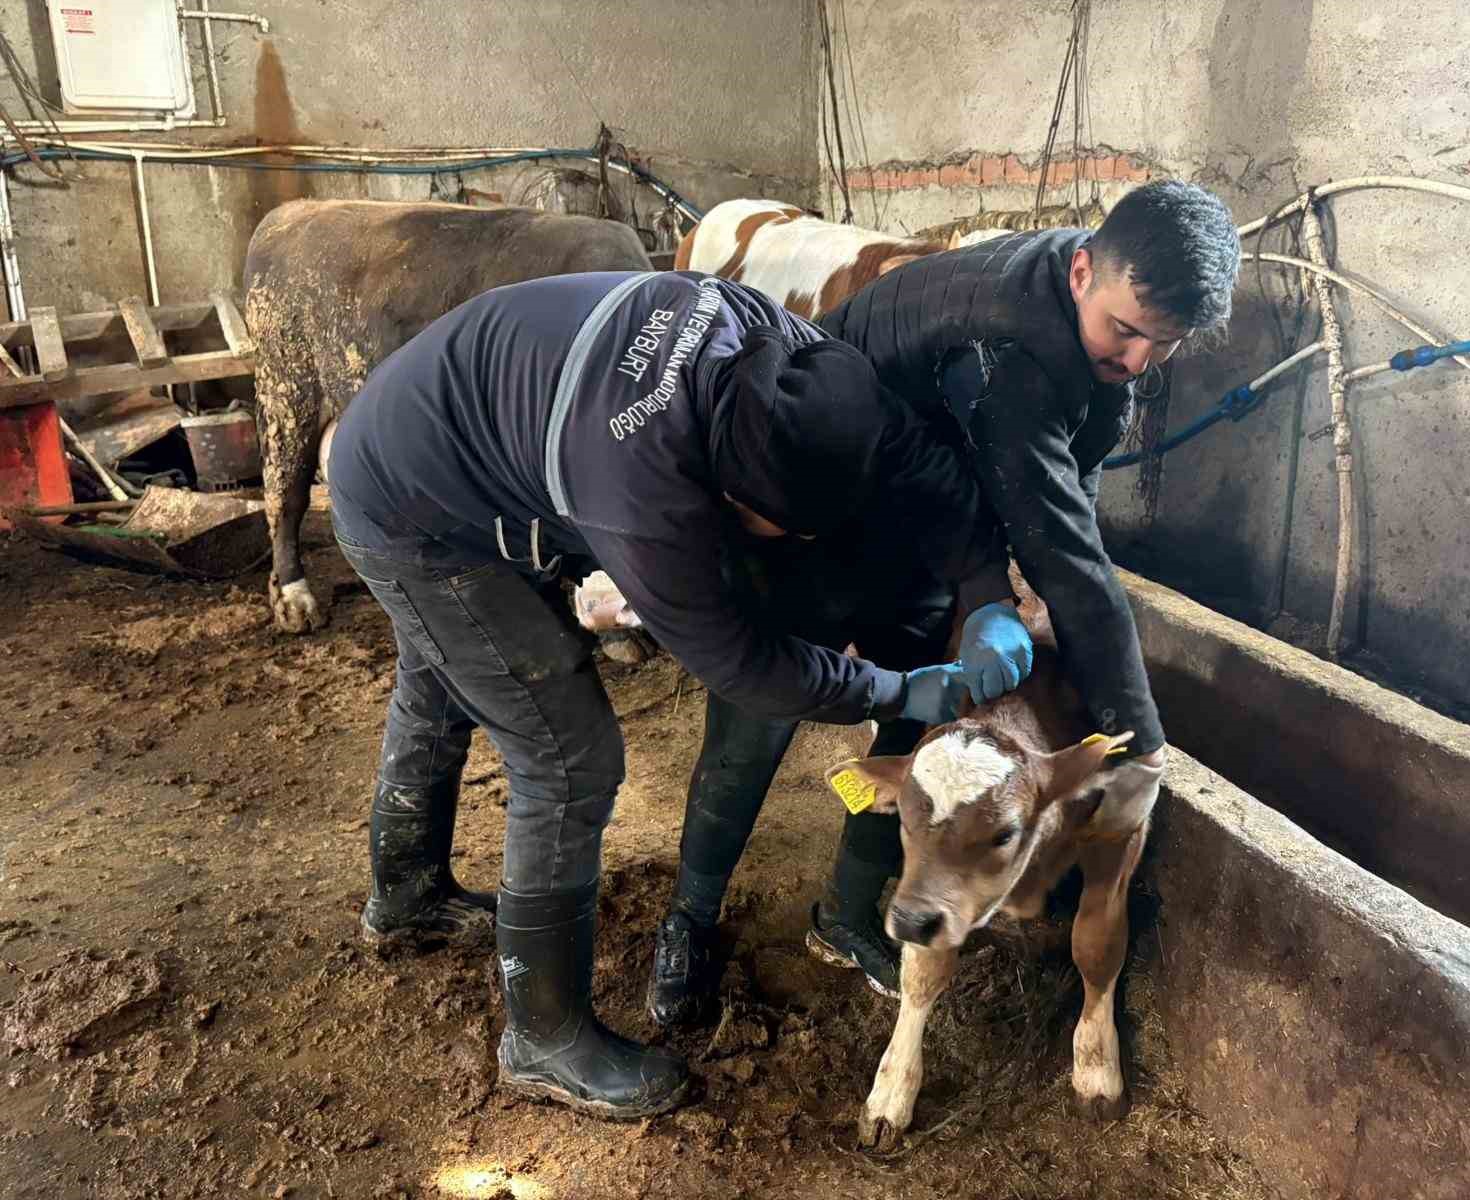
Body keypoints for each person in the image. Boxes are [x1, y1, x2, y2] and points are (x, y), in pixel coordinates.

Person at [327, 267, 1030, 1120]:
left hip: (432, 429)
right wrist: (897, 690)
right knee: (566, 748)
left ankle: (405, 896)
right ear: (728, 493)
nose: (804, 542)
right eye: (790, 528)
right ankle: (542, 1036)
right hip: (413, 513)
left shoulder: (795, 359)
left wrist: (987, 589)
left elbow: (910, 455)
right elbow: (742, 665)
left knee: (443, 673)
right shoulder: (644, 493)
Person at [647, 178, 1241, 1022]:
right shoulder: (1009, 351)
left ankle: (846, 915)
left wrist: (986, 590)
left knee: (918, 737)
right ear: (1081, 273)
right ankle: (690, 920)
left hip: (933, 541)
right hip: (812, 527)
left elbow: (1062, 487)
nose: (1139, 362)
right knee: (756, 720)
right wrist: (1138, 741)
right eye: (1128, 332)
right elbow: (1068, 555)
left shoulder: (1094, 315)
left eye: (1165, 344)